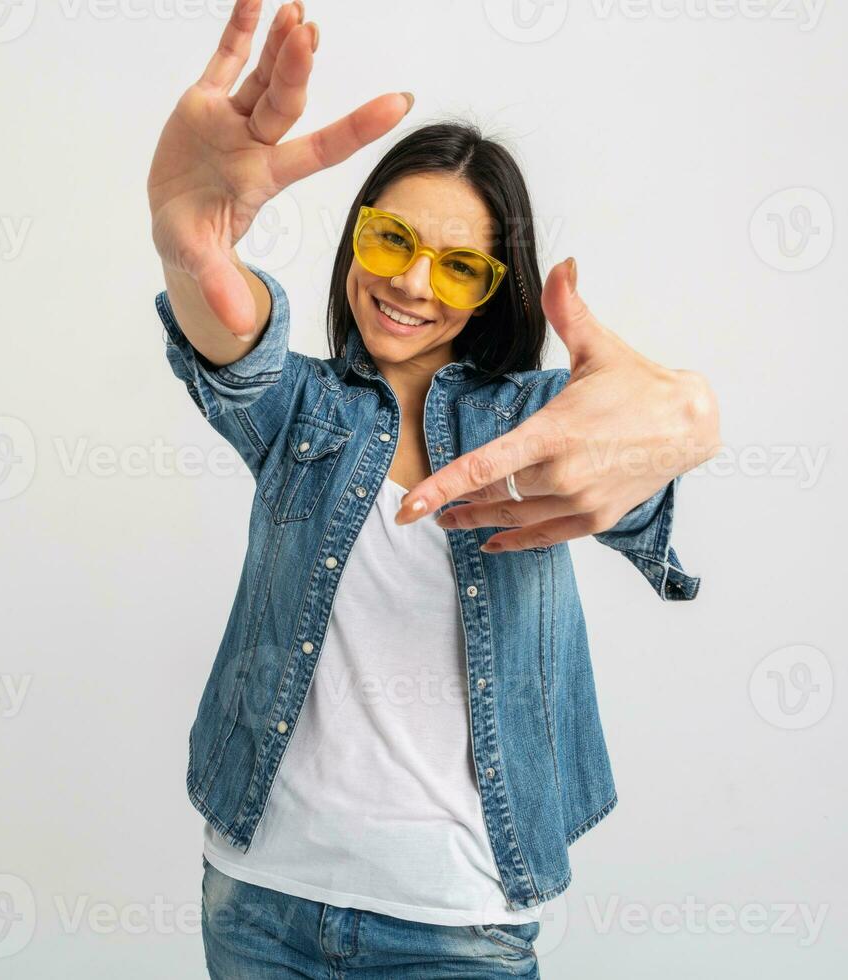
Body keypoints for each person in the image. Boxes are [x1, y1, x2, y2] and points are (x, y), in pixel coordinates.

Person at [147, 2, 720, 975]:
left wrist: (686, 417)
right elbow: (234, 349)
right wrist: (193, 247)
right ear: (355, 239)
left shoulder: (535, 417)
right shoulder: (303, 411)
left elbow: (622, 462)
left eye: (457, 263)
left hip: (458, 922)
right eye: (389, 241)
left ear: (496, 285)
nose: (413, 281)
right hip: (259, 899)